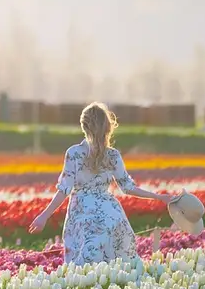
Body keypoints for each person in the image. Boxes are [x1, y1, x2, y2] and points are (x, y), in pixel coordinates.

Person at [29, 101, 178, 265]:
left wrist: (44, 216)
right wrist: (158, 197)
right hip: (111, 215)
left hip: (83, 215)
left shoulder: (74, 153)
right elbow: (128, 187)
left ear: (83, 126)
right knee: (118, 266)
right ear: (108, 127)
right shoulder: (113, 155)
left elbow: (64, 190)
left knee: (83, 268)